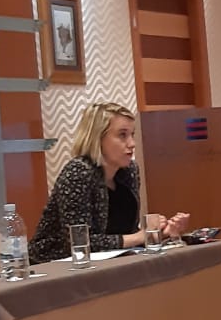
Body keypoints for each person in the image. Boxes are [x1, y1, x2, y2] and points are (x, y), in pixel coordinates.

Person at [29, 101, 187, 262]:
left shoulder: (129, 171)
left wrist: (160, 234)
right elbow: (79, 242)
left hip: (110, 262)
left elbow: (126, 234)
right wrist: (140, 236)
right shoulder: (78, 172)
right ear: (98, 138)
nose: (132, 144)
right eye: (122, 135)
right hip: (52, 265)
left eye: (132, 135)